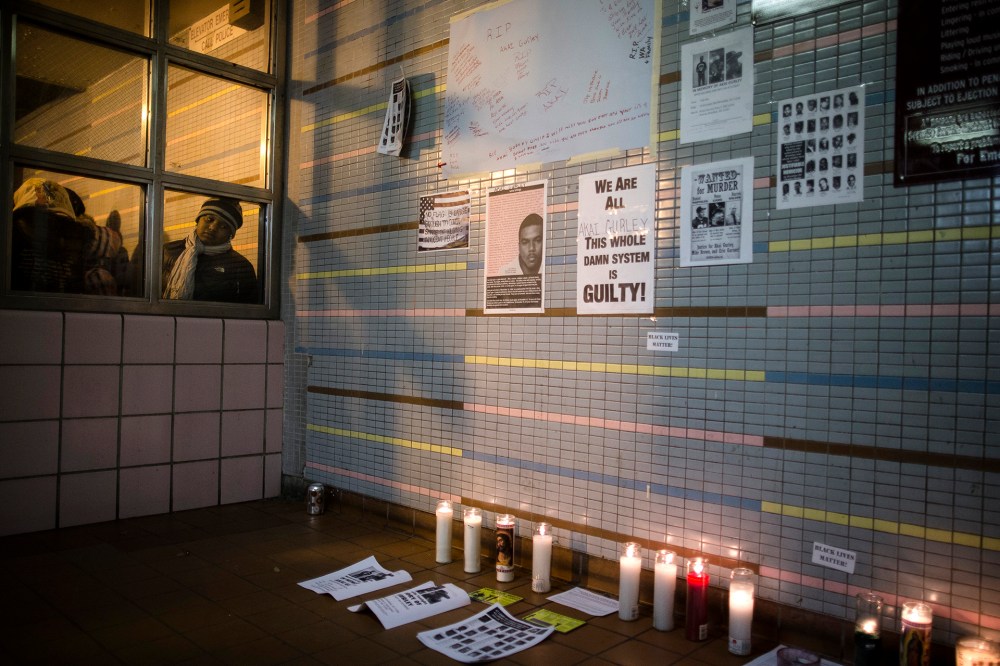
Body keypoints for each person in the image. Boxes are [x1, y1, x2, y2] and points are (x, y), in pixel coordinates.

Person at [11, 178, 123, 295]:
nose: (46, 226)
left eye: (59, 223)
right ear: (19, 221)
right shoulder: (12, 251)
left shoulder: (64, 253)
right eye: (35, 218)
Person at [162, 197, 258, 303]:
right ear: (198, 220)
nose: (212, 227)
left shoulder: (239, 266)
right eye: (209, 219)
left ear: (230, 234)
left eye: (223, 226)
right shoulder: (168, 251)